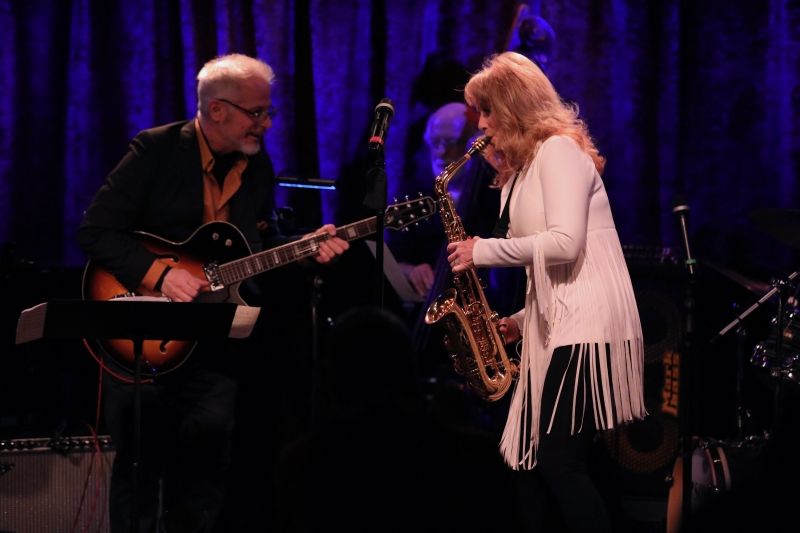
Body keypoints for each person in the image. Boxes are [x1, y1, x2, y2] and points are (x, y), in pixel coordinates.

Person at [76, 53, 348, 532]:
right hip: (144, 339)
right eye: (256, 112)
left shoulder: (257, 169)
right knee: (140, 473)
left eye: (268, 113)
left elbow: (254, 249)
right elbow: (96, 232)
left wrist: (302, 250)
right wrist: (161, 276)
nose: (265, 124)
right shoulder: (155, 151)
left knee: (203, 477)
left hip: (213, 347)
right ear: (217, 109)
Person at [446, 51, 647, 532]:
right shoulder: (519, 172)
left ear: (514, 106)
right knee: (530, 468)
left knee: (561, 463)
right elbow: (549, 273)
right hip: (557, 324)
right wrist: (517, 321)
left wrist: (482, 251)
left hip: (589, 325)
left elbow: (565, 244)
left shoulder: (559, 149)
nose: (482, 125)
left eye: (488, 111)